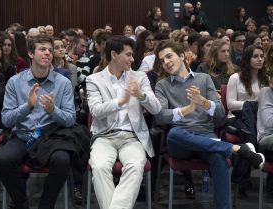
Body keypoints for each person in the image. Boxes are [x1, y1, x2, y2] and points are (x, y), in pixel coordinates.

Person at [154, 40, 265, 209]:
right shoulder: (162, 85)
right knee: (174, 134)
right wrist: (187, 109)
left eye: (169, 56)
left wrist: (204, 102)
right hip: (180, 141)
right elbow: (161, 117)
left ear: (182, 56)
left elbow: (221, 116)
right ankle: (236, 148)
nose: (166, 62)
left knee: (218, 158)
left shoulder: (204, 79)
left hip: (206, 136)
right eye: (162, 60)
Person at [0, 34, 76, 209]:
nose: (47, 53)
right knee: (3, 161)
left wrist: (53, 111)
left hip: (51, 138)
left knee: (62, 161)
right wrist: (27, 106)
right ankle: (22, 205)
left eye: (49, 50)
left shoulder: (63, 83)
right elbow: (6, 120)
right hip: (24, 136)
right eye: (42, 49)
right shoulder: (14, 82)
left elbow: (71, 120)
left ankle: (45, 206)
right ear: (31, 54)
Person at [86, 35, 161, 209]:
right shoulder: (94, 79)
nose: (132, 59)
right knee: (99, 166)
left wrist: (141, 95)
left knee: (135, 165)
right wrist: (120, 102)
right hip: (104, 136)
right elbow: (96, 111)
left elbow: (156, 108)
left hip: (132, 137)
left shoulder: (139, 77)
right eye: (128, 55)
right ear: (114, 54)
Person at [226, 45, 268, 113]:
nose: (260, 59)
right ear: (247, 59)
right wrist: (254, 104)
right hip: (239, 117)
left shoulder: (266, 79)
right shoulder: (235, 78)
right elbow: (230, 104)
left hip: (261, 116)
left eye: (262, 56)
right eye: (255, 56)